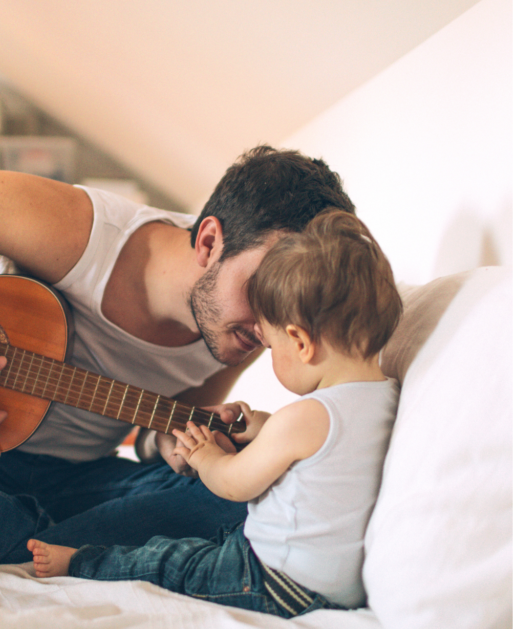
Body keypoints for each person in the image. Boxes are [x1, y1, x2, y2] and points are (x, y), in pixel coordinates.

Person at [0, 145, 356, 571]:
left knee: (254, 491)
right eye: (263, 288)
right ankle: (57, 548)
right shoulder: (75, 230)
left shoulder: (251, 330)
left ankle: (17, 543)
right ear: (210, 241)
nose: (271, 326)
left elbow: (150, 438)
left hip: (76, 480)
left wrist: (174, 444)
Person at [28, 210, 403, 618]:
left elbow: (234, 484)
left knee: (170, 560)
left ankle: (80, 563)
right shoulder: (385, 395)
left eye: (271, 345)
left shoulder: (308, 417)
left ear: (300, 342)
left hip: (269, 578)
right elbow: (319, 451)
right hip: (333, 589)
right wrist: (257, 422)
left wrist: (209, 457)